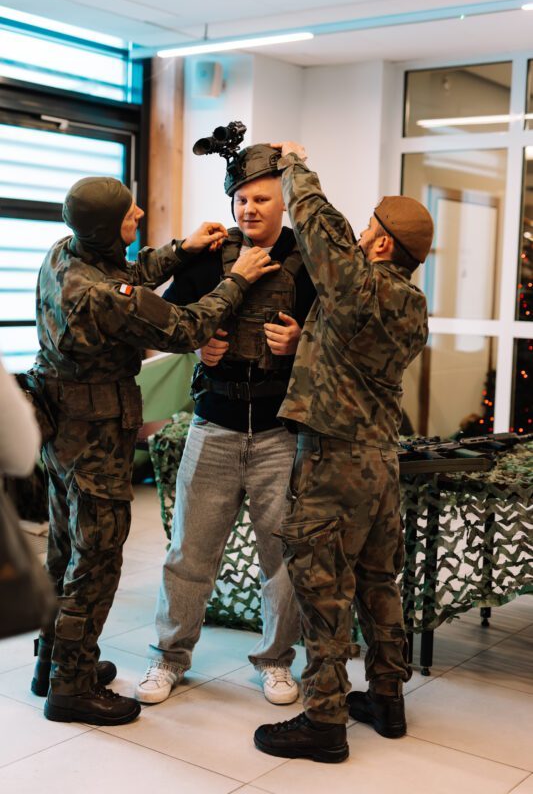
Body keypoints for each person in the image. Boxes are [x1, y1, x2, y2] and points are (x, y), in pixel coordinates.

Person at [30, 175, 279, 727]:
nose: (139, 213)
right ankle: (72, 688)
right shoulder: (97, 296)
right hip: (94, 439)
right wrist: (237, 279)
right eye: (128, 212)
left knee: (64, 549)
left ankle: (54, 662)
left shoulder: (65, 253)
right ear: (105, 228)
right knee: (96, 559)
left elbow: (127, 276)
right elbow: (186, 327)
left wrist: (181, 250)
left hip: (60, 430)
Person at [254, 143, 433, 763]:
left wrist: (295, 167)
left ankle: (324, 720)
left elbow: (316, 224)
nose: (359, 234)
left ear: (381, 243)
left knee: (323, 587)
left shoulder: (358, 283)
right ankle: (387, 699)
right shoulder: (412, 305)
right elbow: (350, 343)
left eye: (369, 228)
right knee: (380, 582)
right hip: (381, 462)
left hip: (333, 461)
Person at [135, 143, 316, 706]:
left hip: (280, 432)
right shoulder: (209, 256)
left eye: (260, 198)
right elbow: (166, 323)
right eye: (241, 199)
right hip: (212, 425)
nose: (248, 209)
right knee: (189, 553)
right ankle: (169, 657)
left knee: (281, 560)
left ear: (283, 201)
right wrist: (197, 345)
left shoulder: (310, 258)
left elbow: (341, 335)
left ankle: (276, 661)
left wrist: (301, 342)